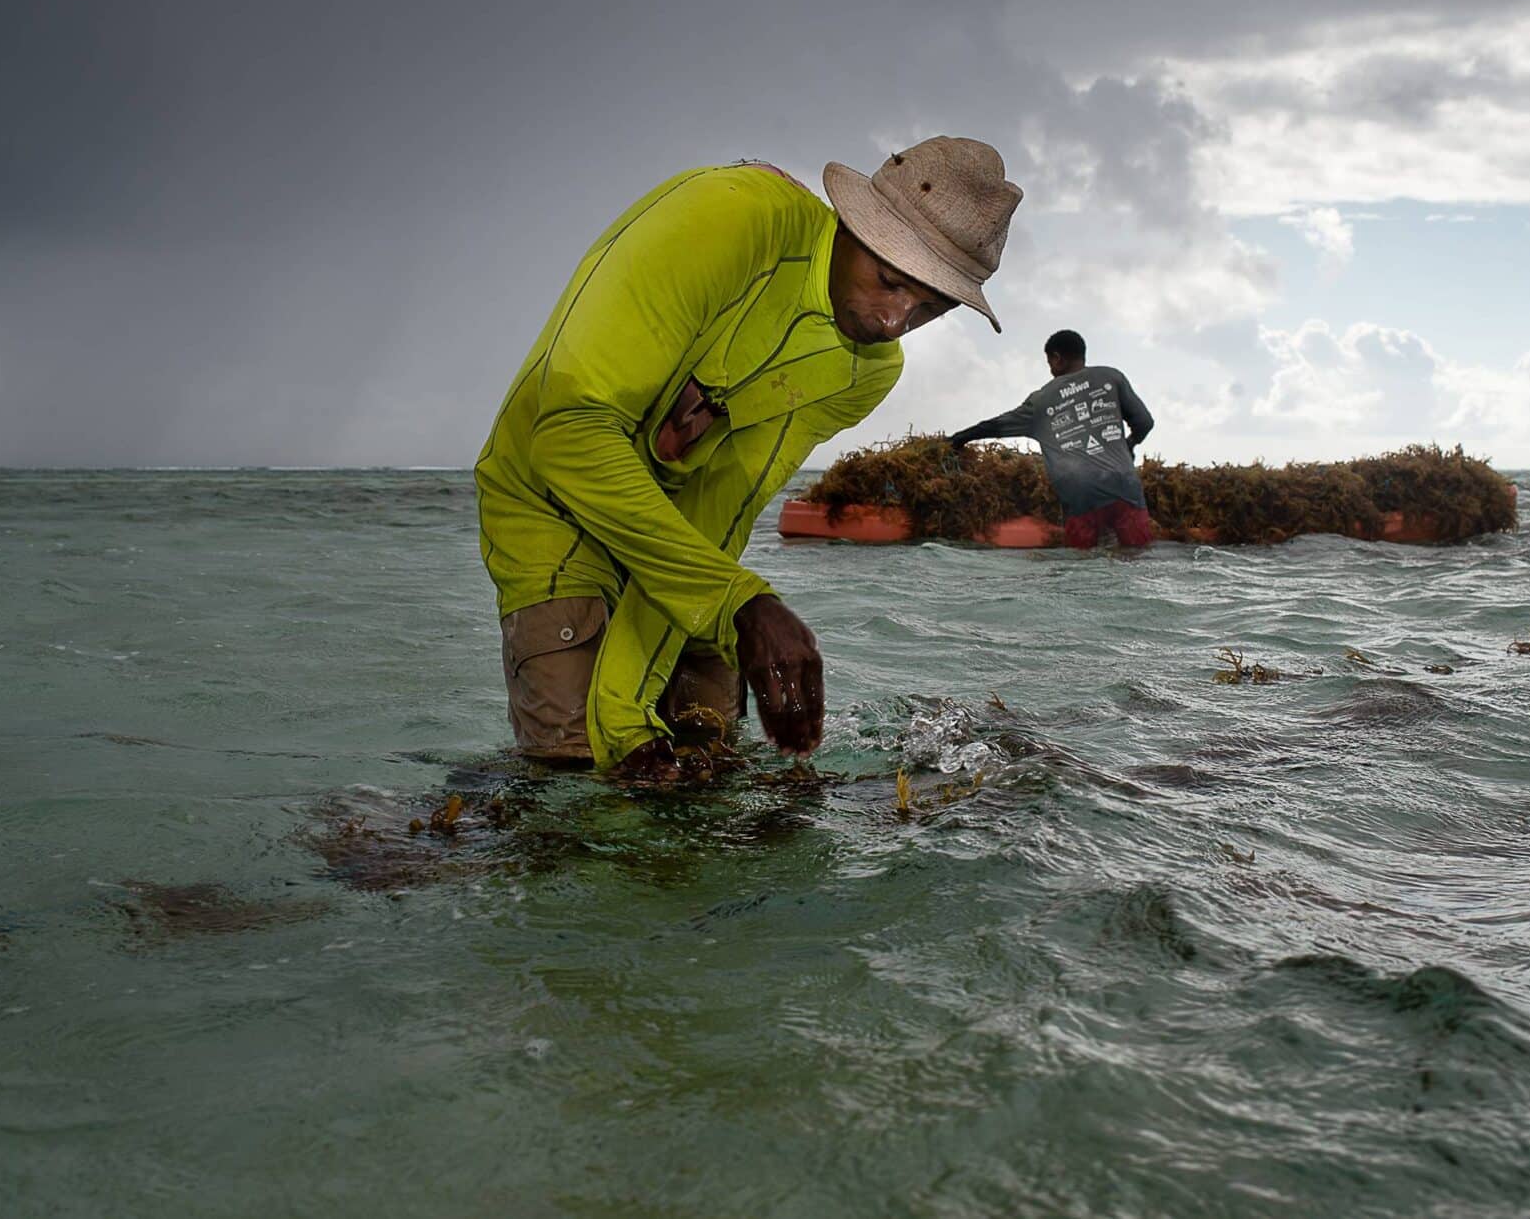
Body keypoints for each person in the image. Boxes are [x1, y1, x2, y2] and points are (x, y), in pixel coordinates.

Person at [475, 137, 1023, 775]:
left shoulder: (866, 372)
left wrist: (643, 703)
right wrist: (733, 610)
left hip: (675, 531)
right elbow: (569, 435)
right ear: (852, 223)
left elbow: (718, 508)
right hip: (550, 498)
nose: (894, 322)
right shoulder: (727, 217)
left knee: (709, 760)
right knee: (580, 772)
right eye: (889, 281)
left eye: (931, 307)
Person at [948, 330, 1156, 550]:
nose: (1050, 369)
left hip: (1080, 495)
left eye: (1049, 363)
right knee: (1136, 555)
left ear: (1057, 358)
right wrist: (1129, 445)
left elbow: (996, 425)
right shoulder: (1111, 377)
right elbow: (1145, 423)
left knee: (1082, 562)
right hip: (1125, 486)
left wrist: (959, 439)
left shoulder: (1041, 401)